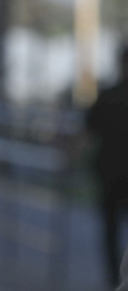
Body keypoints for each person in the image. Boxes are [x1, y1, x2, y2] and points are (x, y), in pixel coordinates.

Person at [86, 45, 128, 287]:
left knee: (110, 236)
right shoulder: (108, 96)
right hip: (110, 176)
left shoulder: (108, 95)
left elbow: (86, 133)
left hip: (109, 176)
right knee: (110, 236)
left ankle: (114, 281)